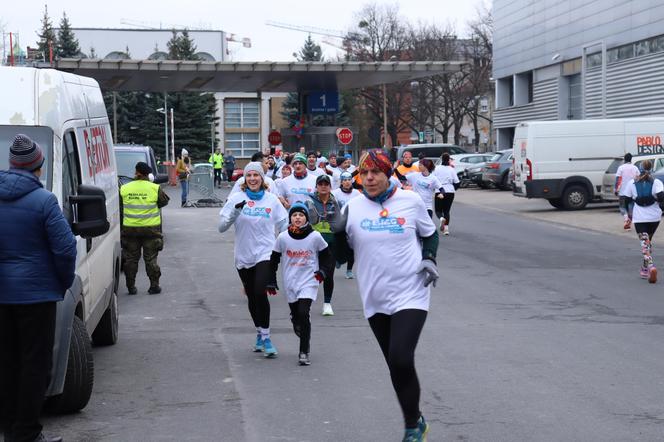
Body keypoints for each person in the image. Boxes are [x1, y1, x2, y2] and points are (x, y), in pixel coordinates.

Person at [340, 149, 439, 442]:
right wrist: (335, 238)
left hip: (411, 291)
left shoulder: (409, 201)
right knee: (395, 365)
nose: (369, 178)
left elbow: (430, 233)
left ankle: (411, 428)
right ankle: (416, 418)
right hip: (374, 295)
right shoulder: (354, 208)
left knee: (401, 357)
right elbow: (344, 255)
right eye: (364, 173)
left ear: (387, 173)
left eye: (376, 172)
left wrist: (430, 258)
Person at [0, 134, 77, 442]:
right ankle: (27, 433)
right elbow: (65, 249)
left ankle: (8, 428)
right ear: (39, 167)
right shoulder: (44, 201)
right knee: (35, 365)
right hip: (36, 296)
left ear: (10, 163)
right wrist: (61, 282)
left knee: (6, 362)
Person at [218, 162, 289, 357]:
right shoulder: (236, 199)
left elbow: (283, 224)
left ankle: (266, 337)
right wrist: (235, 212)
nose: (252, 179)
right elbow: (221, 227)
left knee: (260, 291)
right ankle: (259, 331)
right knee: (251, 295)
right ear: (244, 179)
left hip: (265, 253)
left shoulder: (271, 200)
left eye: (256, 176)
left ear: (262, 179)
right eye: (249, 176)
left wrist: (286, 242)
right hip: (243, 254)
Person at [269, 203, 334, 365]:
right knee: (297, 315)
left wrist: (323, 272)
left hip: (309, 280)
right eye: (294, 215)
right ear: (290, 218)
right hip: (290, 281)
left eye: (301, 215)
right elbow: (274, 260)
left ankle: (304, 351)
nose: (297, 218)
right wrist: (271, 280)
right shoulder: (283, 237)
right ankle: (295, 319)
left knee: (304, 313)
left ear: (306, 218)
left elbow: (328, 257)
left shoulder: (315, 236)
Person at [120, 162, 170, 295]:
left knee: (131, 259)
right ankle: (154, 286)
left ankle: (131, 287)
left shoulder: (125, 188)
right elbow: (164, 201)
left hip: (130, 230)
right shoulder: (155, 188)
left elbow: (120, 206)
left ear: (136, 172)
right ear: (148, 174)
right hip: (151, 230)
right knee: (151, 259)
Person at [306, 174, 342, 316]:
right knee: (310, 274)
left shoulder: (335, 202)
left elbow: (340, 222)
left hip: (330, 243)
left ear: (330, 186)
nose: (323, 186)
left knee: (329, 274)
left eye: (326, 184)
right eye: (320, 184)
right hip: (313, 243)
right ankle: (305, 302)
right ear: (316, 186)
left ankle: (327, 303)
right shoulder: (309, 201)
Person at [624, 160, 664, 283]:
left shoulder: (632, 183)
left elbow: (626, 200)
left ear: (639, 169)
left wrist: (628, 217)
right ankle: (644, 268)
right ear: (651, 169)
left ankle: (651, 266)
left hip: (640, 218)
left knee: (645, 244)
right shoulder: (657, 182)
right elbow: (662, 197)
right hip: (655, 217)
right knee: (647, 242)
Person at [332, 171, 361, 279]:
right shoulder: (335, 193)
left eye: (349, 179)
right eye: (345, 180)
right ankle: (339, 259)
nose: (347, 182)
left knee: (351, 248)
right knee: (338, 245)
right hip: (339, 224)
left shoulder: (357, 193)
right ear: (341, 182)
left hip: (353, 223)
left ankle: (349, 270)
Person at [433, 153, 461, 235]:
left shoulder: (436, 168)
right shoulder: (451, 169)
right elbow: (457, 182)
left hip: (440, 190)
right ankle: (446, 229)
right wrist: (453, 189)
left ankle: (441, 219)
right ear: (448, 160)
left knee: (438, 210)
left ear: (441, 159)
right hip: (450, 191)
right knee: (446, 211)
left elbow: (433, 179)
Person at [615, 153, 640, 230]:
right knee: (630, 207)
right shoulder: (635, 168)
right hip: (632, 192)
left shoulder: (621, 168)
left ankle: (626, 219)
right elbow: (638, 179)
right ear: (631, 159)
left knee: (622, 207)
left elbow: (618, 180)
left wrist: (616, 189)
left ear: (625, 159)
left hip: (623, 191)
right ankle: (629, 220)